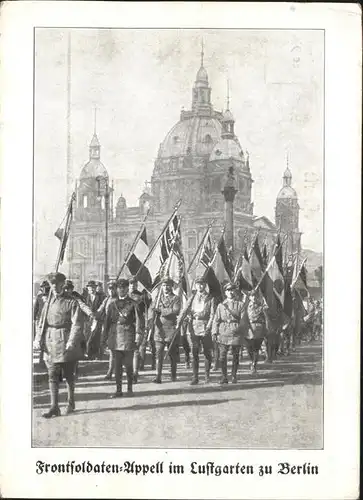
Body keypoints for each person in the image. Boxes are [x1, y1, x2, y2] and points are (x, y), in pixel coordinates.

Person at [34, 272, 83, 418]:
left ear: (63, 284)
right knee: (52, 375)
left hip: (66, 339)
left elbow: (77, 324)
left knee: (68, 375)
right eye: (52, 283)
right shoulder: (47, 302)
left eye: (57, 283)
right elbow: (41, 323)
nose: (54, 286)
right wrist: (37, 339)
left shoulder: (72, 302)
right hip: (50, 341)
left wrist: (71, 341)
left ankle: (70, 402)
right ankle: (54, 407)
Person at [103, 279, 143, 398]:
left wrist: (138, 336)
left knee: (129, 365)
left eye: (124, 287)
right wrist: (104, 338)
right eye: (119, 288)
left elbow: (139, 321)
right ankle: (118, 390)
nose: (121, 290)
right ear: (117, 289)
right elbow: (107, 323)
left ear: (127, 288)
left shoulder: (133, 304)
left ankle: (130, 389)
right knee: (117, 365)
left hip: (128, 336)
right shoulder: (112, 305)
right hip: (115, 337)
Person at [181, 276, 215, 385]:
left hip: (205, 327)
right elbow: (186, 311)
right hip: (194, 327)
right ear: (195, 285)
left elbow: (212, 314)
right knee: (194, 352)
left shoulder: (210, 298)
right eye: (198, 284)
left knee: (207, 352)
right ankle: (195, 377)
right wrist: (185, 318)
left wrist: (208, 327)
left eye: (202, 284)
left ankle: (206, 376)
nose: (200, 286)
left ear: (205, 285)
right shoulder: (192, 298)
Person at [148, 277, 181, 384]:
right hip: (159, 329)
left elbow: (175, 310)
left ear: (171, 286)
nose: (166, 287)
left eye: (168, 285)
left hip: (171, 329)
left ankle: (173, 375)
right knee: (159, 354)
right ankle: (158, 376)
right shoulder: (157, 298)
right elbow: (151, 310)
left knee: (172, 355)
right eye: (163, 285)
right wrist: (151, 317)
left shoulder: (176, 298)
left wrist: (161, 311)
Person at [212, 282, 245, 384]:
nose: (230, 292)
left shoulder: (241, 305)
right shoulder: (221, 306)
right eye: (228, 290)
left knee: (235, 355)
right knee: (222, 356)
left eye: (232, 290)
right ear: (225, 292)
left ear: (235, 291)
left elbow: (244, 320)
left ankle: (234, 375)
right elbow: (216, 320)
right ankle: (224, 376)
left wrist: (239, 330)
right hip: (223, 332)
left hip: (236, 332)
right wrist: (214, 332)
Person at [96, 280, 118, 380]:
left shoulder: (119, 299)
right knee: (112, 350)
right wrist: (94, 315)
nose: (111, 291)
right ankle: (110, 371)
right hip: (108, 326)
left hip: (118, 326)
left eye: (113, 288)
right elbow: (100, 310)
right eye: (109, 289)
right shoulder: (107, 299)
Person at [243, 289, 267, 374]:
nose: (253, 297)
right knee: (248, 348)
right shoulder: (245, 306)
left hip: (258, 329)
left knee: (256, 349)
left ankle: (254, 364)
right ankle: (251, 360)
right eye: (252, 296)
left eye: (255, 296)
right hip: (248, 329)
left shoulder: (261, 306)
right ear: (249, 297)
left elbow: (265, 318)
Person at [128, 278, 145, 383]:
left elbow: (143, 312)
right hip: (125, 326)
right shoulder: (123, 296)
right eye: (131, 284)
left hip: (136, 325)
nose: (133, 285)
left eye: (134, 283)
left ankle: (134, 372)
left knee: (135, 350)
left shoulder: (141, 296)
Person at [84, 280, 104, 359]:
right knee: (88, 336)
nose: (91, 289)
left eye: (93, 287)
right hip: (88, 320)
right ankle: (89, 353)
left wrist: (98, 316)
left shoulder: (101, 297)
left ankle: (96, 354)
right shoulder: (85, 297)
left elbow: (103, 308)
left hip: (97, 319)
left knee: (96, 337)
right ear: (88, 289)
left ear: (96, 288)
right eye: (90, 287)